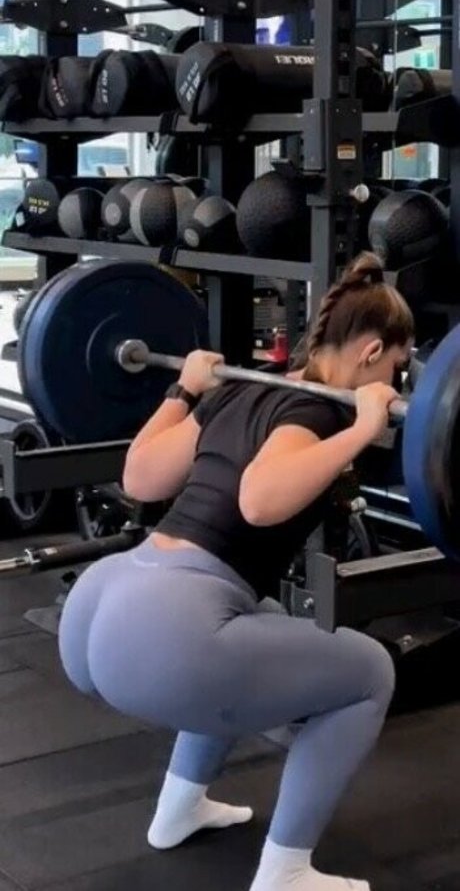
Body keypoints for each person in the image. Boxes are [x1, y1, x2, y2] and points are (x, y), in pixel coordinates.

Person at [58, 251, 414, 891]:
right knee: (370, 674)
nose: (396, 381)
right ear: (370, 353)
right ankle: (287, 872)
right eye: (397, 365)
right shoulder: (319, 412)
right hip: (168, 633)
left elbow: (139, 477)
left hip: (106, 601)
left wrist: (185, 389)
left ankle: (179, 809)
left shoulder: (245, 387)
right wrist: (362, 426)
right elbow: (260, 499)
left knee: (258, 621)